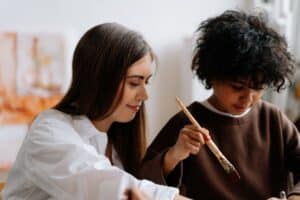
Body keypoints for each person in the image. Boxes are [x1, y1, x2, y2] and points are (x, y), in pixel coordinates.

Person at [2, 23, 189, 200]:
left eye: (145, 82)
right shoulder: (49, 130)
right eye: (134, 83)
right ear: (101, 80)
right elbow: (109, 186)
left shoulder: (116, 141)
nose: (144, 95)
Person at [140, 10, 300, 200]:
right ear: (213, 76)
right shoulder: (188, 123)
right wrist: (174, 155)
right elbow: (143, 184)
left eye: (257, 88)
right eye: (237, 87)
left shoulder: (272, 119)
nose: (248, 98)